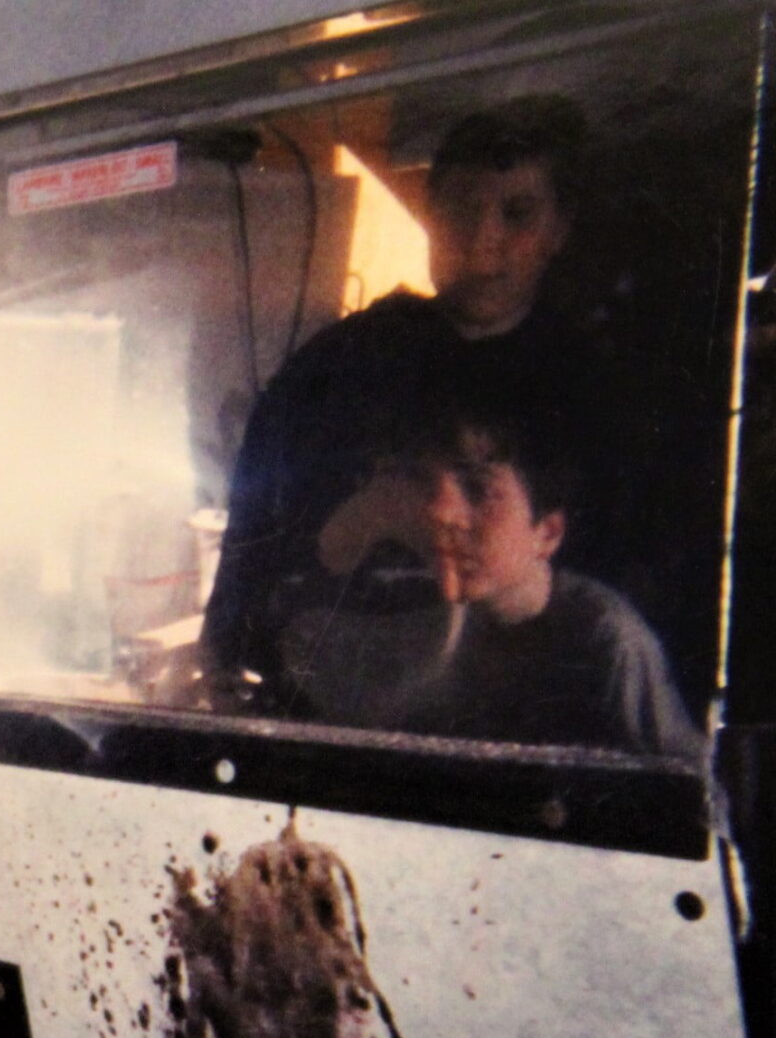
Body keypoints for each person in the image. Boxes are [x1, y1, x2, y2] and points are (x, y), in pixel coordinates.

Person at [201, 95, 690, 715]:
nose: (483, 242)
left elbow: (625, 600)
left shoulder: (595, 396)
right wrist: (225, 656)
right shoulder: (336, 366)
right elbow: (251, 542)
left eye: (517, 214)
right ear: (430, 213)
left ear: (559, 230)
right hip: (330, 710)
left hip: (511, 726)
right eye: (461, 208)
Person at [275, 393, 699, 755]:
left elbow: (682, 789)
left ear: (547, 533)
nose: (440, 512)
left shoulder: (608, 642)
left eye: (477, 490)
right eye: (424, 485)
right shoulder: (416, 610)